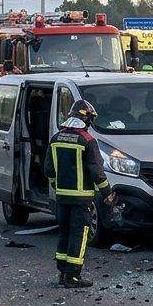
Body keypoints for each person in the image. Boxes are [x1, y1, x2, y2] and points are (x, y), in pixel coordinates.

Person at [43, 100, 115, 288]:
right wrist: (107, 193)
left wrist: (57, 186)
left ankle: (62, 272)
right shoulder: (87, 141)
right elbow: (96, 171)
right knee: (79, 234)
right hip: (81, 199)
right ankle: (73, 276)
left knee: (64, 232)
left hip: (61, 197)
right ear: (86, 118)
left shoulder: (56, 138)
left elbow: (48, 169)